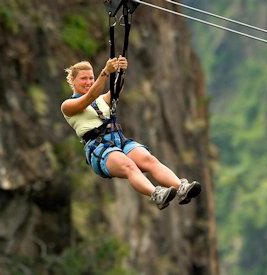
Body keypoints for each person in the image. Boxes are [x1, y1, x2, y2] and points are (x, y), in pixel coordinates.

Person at [61, 56, 201, 210]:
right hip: (99, 149)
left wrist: (121, 72)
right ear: (73, 81)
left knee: (149, 159)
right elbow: (89, 97)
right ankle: (155, 193)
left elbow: (115, 91)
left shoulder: (102, 99)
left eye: (91, 78)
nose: (88, 82)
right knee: (129, 166)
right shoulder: (68, 106)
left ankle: (180, 186)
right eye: (83, 79)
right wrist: (105, 72)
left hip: (119, 141)